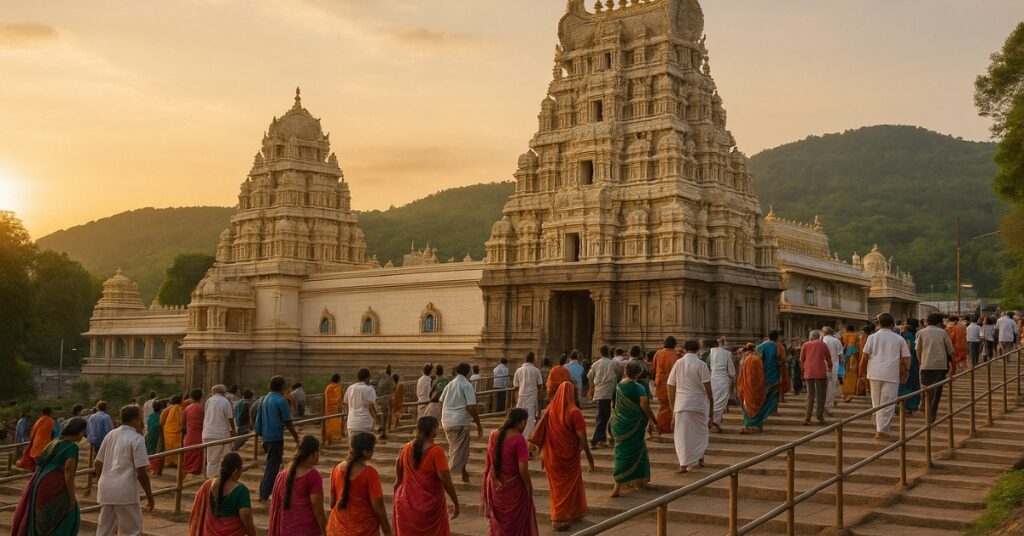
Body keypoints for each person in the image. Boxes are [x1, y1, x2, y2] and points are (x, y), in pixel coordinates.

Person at [529, 381, 593, 532]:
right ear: (572, 394)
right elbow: (583, 439)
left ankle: (574, 512)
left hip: (552, 457)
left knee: (560, 487)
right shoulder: (574, 412)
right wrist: (590, 458)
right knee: (564, 488)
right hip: (568, 457)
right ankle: (559, 518)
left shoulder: (550, 410)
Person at [11, 417, 87, 536]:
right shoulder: (72, 447)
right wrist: (72, 499)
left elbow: (40, 462)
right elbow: (68, 472)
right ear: (78, 432)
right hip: (56, 487)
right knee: (67, 517)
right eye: (83, 432)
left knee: (42, 522)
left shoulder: (53, 443)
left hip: (40, 484)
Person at [392, 416, 460, 536]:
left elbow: (397, 481)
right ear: (433, 431)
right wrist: (456, 503)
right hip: (429, 507)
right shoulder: (436, 451)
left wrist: (397, 500)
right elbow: (446, 481)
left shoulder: (405, 448)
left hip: (405, 503)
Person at [95, 405, 155, 535]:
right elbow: (141, 473)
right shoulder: (137, 439)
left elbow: (97, 462)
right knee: (131, 531)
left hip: (106, 490)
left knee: (104, 530)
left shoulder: (110, 435)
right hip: (125, 492)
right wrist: (150, 497)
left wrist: (102, 479)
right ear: (135, 420)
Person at [482, 409, 538, 536]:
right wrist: (528, 485)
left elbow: (490, 462)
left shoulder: (493, 434)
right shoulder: (519, 439)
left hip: (496, 486)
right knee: (515, 524)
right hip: (514, 489)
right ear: (522, 422)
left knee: (498, 524)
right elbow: (523, 469)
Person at [327, 432, 392, 536]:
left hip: (337, 528)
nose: (373, 451)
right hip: (363, 529)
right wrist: (388, 531)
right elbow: (379, 507)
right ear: (366, 452)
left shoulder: (336, 469)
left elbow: (332, 503)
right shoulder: (370, 474)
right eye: (373, 448)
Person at [860, 313, 911, 440]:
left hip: (874, 373)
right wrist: (906, 372)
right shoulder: (898, 338)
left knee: (876, 402)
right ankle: (881, 430)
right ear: (893, 324)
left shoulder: (872, 337)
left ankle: (881, 428)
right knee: (888, 402)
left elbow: (864, 357)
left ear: (878, 324)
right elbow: (906, 358)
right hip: (891, 373)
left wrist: (861, 374)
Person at [611, 362, 657, 497]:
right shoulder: (638, 387)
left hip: (620, 424)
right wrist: (654, 420)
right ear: (638, 374)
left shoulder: (618, 386)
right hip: (634, 425)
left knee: (627, 451)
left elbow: (615, 405)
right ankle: (618, 484)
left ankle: (638, 481)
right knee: (629, 453)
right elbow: (644, 405)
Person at [667, 340, 713, 473]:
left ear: (684, 348)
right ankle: (698, 459)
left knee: (682, 435)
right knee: (700, 433)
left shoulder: (678, 363)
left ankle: (683, 464)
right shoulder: (701, 364)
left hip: (682, 403)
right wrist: (711, 405)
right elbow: (708, 387)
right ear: (698, 349)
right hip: (698, 403)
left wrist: (673, 407)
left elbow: (670, 385)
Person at [255, 375, 301, 502]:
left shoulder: (264, 399)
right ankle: (264, 494)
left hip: (266, 437)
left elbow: (258, 420)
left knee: (277, 465)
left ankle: (280, 490)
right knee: (272, 467)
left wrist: (260, 433)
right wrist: (296, 437)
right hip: (275, 438)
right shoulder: (281, 401)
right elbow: (288, 421)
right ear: (282, 387)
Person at [188, 452, 257, 536]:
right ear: (235, 471)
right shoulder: (241, 491)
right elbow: (246, 516)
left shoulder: (207, 485)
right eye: (240, 470)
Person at [268, 436, 326, 536]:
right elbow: (317, 508)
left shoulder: (283, 474)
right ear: (314, 454)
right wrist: (324, 530)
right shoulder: (313, 476)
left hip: (285, 529)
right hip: (306, 530)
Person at [440, 363, 483, 484]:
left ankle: (464, 472)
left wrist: (442, 417)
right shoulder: (466, 385)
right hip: (459, 421)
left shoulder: (450, 384)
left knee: (459, 449)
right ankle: (445, 477)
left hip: (447, 421)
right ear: (467, 372)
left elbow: (441, 402)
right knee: (458, 451)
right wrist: (478, 423)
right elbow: (471, 407)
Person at [917, 313, 955, 423]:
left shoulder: (921, 332)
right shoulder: (943, 333)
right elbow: (951, 351)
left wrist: (921, 362)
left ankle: (926, 408)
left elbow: (918, 350)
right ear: (939, 323)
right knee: (937, 391)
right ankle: (932, 414)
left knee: (926, 389)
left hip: (926, 365)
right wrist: (953, 367)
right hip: (940, 366)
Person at [587, 346, 621, 449]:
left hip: (599, 392)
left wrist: (592, 388)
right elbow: (619, 375)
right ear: (609, 353)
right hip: (609, 392)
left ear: (600, 353)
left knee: (603, 416)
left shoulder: (595, 364)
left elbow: (589, 376)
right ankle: (596, 440)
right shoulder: (613, 363)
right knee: (603, 417)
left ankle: (603, 438)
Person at [799, 331, 833, 426]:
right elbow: (828, 358)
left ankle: (807, 418)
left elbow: (801, 360)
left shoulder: (805, 345)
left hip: (808, 372)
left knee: (810, 395)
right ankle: (820, 417)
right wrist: (830, 368)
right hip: (820, 372)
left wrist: (802, 372)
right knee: (821, 396)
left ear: (810, 337)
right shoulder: (823, 344)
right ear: (819, 337)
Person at [204, 384, 236, 478]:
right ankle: (215, 480)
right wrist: (233, 430)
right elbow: (230, 417)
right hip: (220, 434)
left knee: (212, 460)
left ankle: (213, 479)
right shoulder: (224, 401)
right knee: (223, 458)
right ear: (224, 392)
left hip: (208, 433)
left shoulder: (209, 401)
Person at [652, 337, 682, 434]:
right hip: (672, 386)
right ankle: (661, 427)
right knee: (668, 407)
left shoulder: (658, 353)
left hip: (660, 384)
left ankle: (663, 427)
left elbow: (654, 368)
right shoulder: (676, 355)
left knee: (664, 407)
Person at [514, 352, 545, 441]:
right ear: (533, 360)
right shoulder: (536, 370)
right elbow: (540, 387)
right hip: (531, 399)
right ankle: (525, 441)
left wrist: (517, 399)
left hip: (520, 398)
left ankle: (519, 440)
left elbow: (515, 388)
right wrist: (540, 401)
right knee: (530, 421)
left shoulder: (518, 370)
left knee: (519, 420)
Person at [707, 339, 736, 432]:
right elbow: (731, 371)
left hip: (711, 380)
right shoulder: (726, 353)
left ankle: (710, 421)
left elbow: (706, 367)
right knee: (719, 403)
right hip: (722, 380)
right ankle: (715, 424)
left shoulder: (708, 354)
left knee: (711, 401)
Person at [18, 407, 56, 472]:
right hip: (45, 445)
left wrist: (31, 442)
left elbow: (33, 432)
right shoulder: (50, 420)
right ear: (50, 413)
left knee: (39, 463)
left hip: (36, 444)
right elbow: (52, 432)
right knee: (44, 463)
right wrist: (53, 442)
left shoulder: (38, 420)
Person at [899, 318, 923, 416]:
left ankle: (906, 407)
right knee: (914, 383)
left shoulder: (906, 335)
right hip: (915, 360)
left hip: (907, 360)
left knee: (905, 383)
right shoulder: (917, 334)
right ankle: (912, 406)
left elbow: (906, 349)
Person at [346, 368, 380, 435]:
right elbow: (371, 407)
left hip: (351, 424)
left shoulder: (350, 388)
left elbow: (346, 404)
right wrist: (378, 421)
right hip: (365, 424)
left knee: (353, 445)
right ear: (367, 378)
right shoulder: (369, 389)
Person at [183, 388, 205, 477]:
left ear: (191, 397)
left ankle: (188, 472)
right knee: (198, 455)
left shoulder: (187, 409)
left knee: (188, 454)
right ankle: (196, 473)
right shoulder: (203, 408)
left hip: (189, 436)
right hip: (199, 436)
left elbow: (183, 424)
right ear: (201, 398)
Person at [821, 327, 844, 414]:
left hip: (822, 366)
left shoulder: (821, 340)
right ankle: (828, 406)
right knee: (831, 387)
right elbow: (841, 357)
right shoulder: (836, 341)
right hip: (834, 367)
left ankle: (821, 405)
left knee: (822, 387)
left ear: (823, 333)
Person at [842, 325, 867, 401]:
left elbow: (849, 346)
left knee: (848, 374)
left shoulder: (846, 335)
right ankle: (854, 390)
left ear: (847, 329)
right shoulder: (856, 336)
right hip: (855, 356)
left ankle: (848, 392)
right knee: (853, 374)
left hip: (849, 356)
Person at [161, 395, 184, 469]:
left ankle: (169, 462)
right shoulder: (180, 409)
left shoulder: (167, 409)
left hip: (167, 432)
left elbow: (161, 421)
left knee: (169, 449)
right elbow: (181, 421)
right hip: (177, 432)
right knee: (178, 450)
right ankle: (177, 463)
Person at [146, 400, 166, 476]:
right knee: (159, 452)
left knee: (151, 451)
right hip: (159, 436)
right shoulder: (162, 415)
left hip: (150, 436)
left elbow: (148, 427)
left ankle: (152, 469)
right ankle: (157, 470)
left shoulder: (150, 416)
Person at [324, 373, 344, 445]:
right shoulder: (338, 387)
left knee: (328, 424)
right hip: (335, 409)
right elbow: (339, 398)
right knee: (335, 423)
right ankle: (332, 439)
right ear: (339, 379)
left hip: (327, 409)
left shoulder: (328, 387)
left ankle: (329, 439)